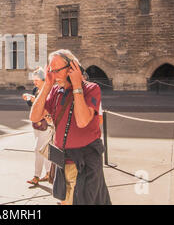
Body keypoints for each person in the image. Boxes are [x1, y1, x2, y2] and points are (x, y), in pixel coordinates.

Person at [30, 49, 111, 205]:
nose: (54, 75)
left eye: (57, 70)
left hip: (85, 162)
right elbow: (34, 117)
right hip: (62, 160)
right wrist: (47, 85)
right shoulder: (55, 91)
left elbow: (82, 121)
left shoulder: (91, 89)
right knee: (65, 201)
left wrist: (76, 85)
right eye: (50, 71)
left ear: (72, 67)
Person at [22, 67, 53, 186]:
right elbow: (33, 106)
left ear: (44, 80)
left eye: (37, 80)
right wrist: (28, 99)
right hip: (36, 124)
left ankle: (36, 176)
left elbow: (48, 107)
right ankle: (49, 173)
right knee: (44, 150)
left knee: (38, 149)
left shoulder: (49, 90)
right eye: (34, 80)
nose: (34, 83)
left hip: (46, 124)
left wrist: (36, 100)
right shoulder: (36, 89)